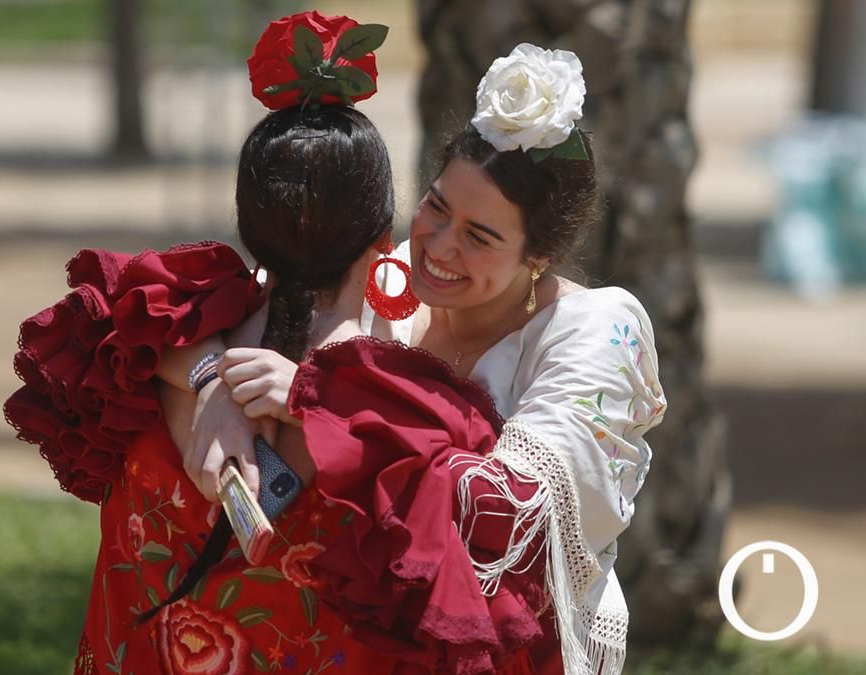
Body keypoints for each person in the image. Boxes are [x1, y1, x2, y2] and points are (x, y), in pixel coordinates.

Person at [4, 12, 549, 675]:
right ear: (384, 238)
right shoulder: (412, 425)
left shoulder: (149, 347)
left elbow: (122, 310)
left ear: (248, 223)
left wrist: (207, 377)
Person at [161, 44, 668, 674]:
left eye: (479, 237)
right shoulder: (389, 278)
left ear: (539, 256)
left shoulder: (594, 331)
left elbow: (503, 511)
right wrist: (212, 387)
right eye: (435, 206)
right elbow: (176, 318)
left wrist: (318, 403)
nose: (438, 246)